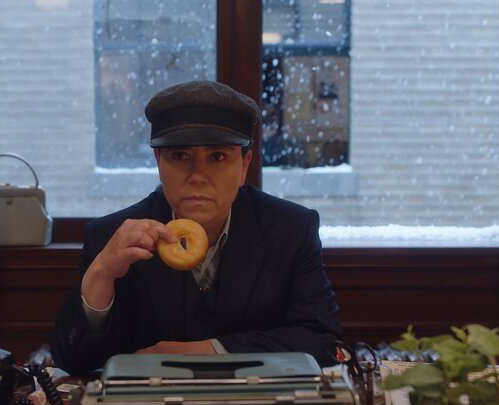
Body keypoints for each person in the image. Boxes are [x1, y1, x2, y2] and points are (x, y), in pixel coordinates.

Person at [51, 80, 341, 375]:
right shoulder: (111, 237)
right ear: (159, 162)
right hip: (149, 402)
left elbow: (324, 342)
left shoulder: (289, 230)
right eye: (180, 156)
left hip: (256, 400)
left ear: (244, 166)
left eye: (217, 157)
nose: (198, 176)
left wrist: (209, 350)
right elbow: (73, 362)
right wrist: (101, 272)